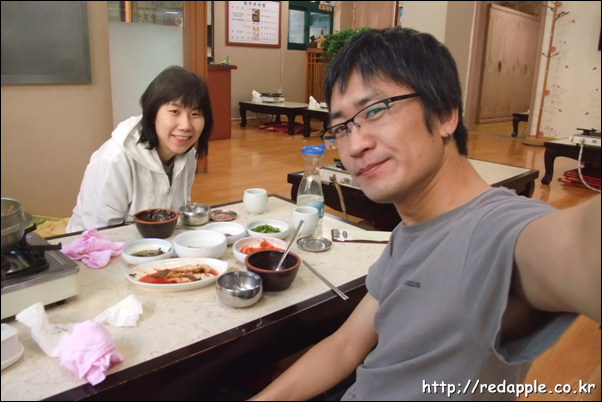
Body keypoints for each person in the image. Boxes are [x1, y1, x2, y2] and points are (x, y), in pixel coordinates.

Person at [250, 27, 601, 401]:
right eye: (341, 127)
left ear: (446, 113)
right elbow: (345, 346)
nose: (354, 145)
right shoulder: (411, 231)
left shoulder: (496, 231)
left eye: (376, 110)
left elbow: (580, 246)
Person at [66, 66, 213, 232]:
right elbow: (99, 235)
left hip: (157, 242)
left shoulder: (188, 154)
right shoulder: (113, 160)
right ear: (152, 114)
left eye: (195, 114)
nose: (185, 126)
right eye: (174, 111)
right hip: (92, 245)